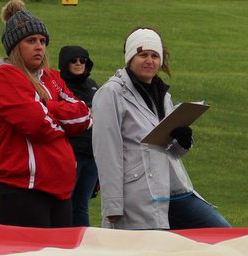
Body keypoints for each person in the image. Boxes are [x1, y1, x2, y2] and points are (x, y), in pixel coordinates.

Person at [92, 28, 229, 230]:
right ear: (130, 58)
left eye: (155, 56)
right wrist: (113, 204)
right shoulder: (111, 93)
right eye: (143, 55)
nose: (149, 61)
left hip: (174, 187)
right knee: (149, 245)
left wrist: (182, 142)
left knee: (220, 230)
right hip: (138, 194)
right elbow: (106, 151)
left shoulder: (163, 94)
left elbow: (166, 148)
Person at [0, 0, 91, 228]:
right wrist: (62, 121)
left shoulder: (51, 76)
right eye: (31, 41)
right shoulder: (4, 76)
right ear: (15, 46)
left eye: (42, 41)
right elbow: (38, 125)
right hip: (24, 191)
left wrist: (47, 106)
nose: (39, 47)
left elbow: (83, 116)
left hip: (60, 192)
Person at [58, 44, 99, 227]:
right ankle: (63, 239)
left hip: (93, 154)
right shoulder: (59, 87)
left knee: (82, 204)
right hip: (72, 153)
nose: (78, 63)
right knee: (66, 202)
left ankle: (83, 240)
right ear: (64, 63)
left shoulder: (92, 85)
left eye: (83, 60)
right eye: (73, 60)